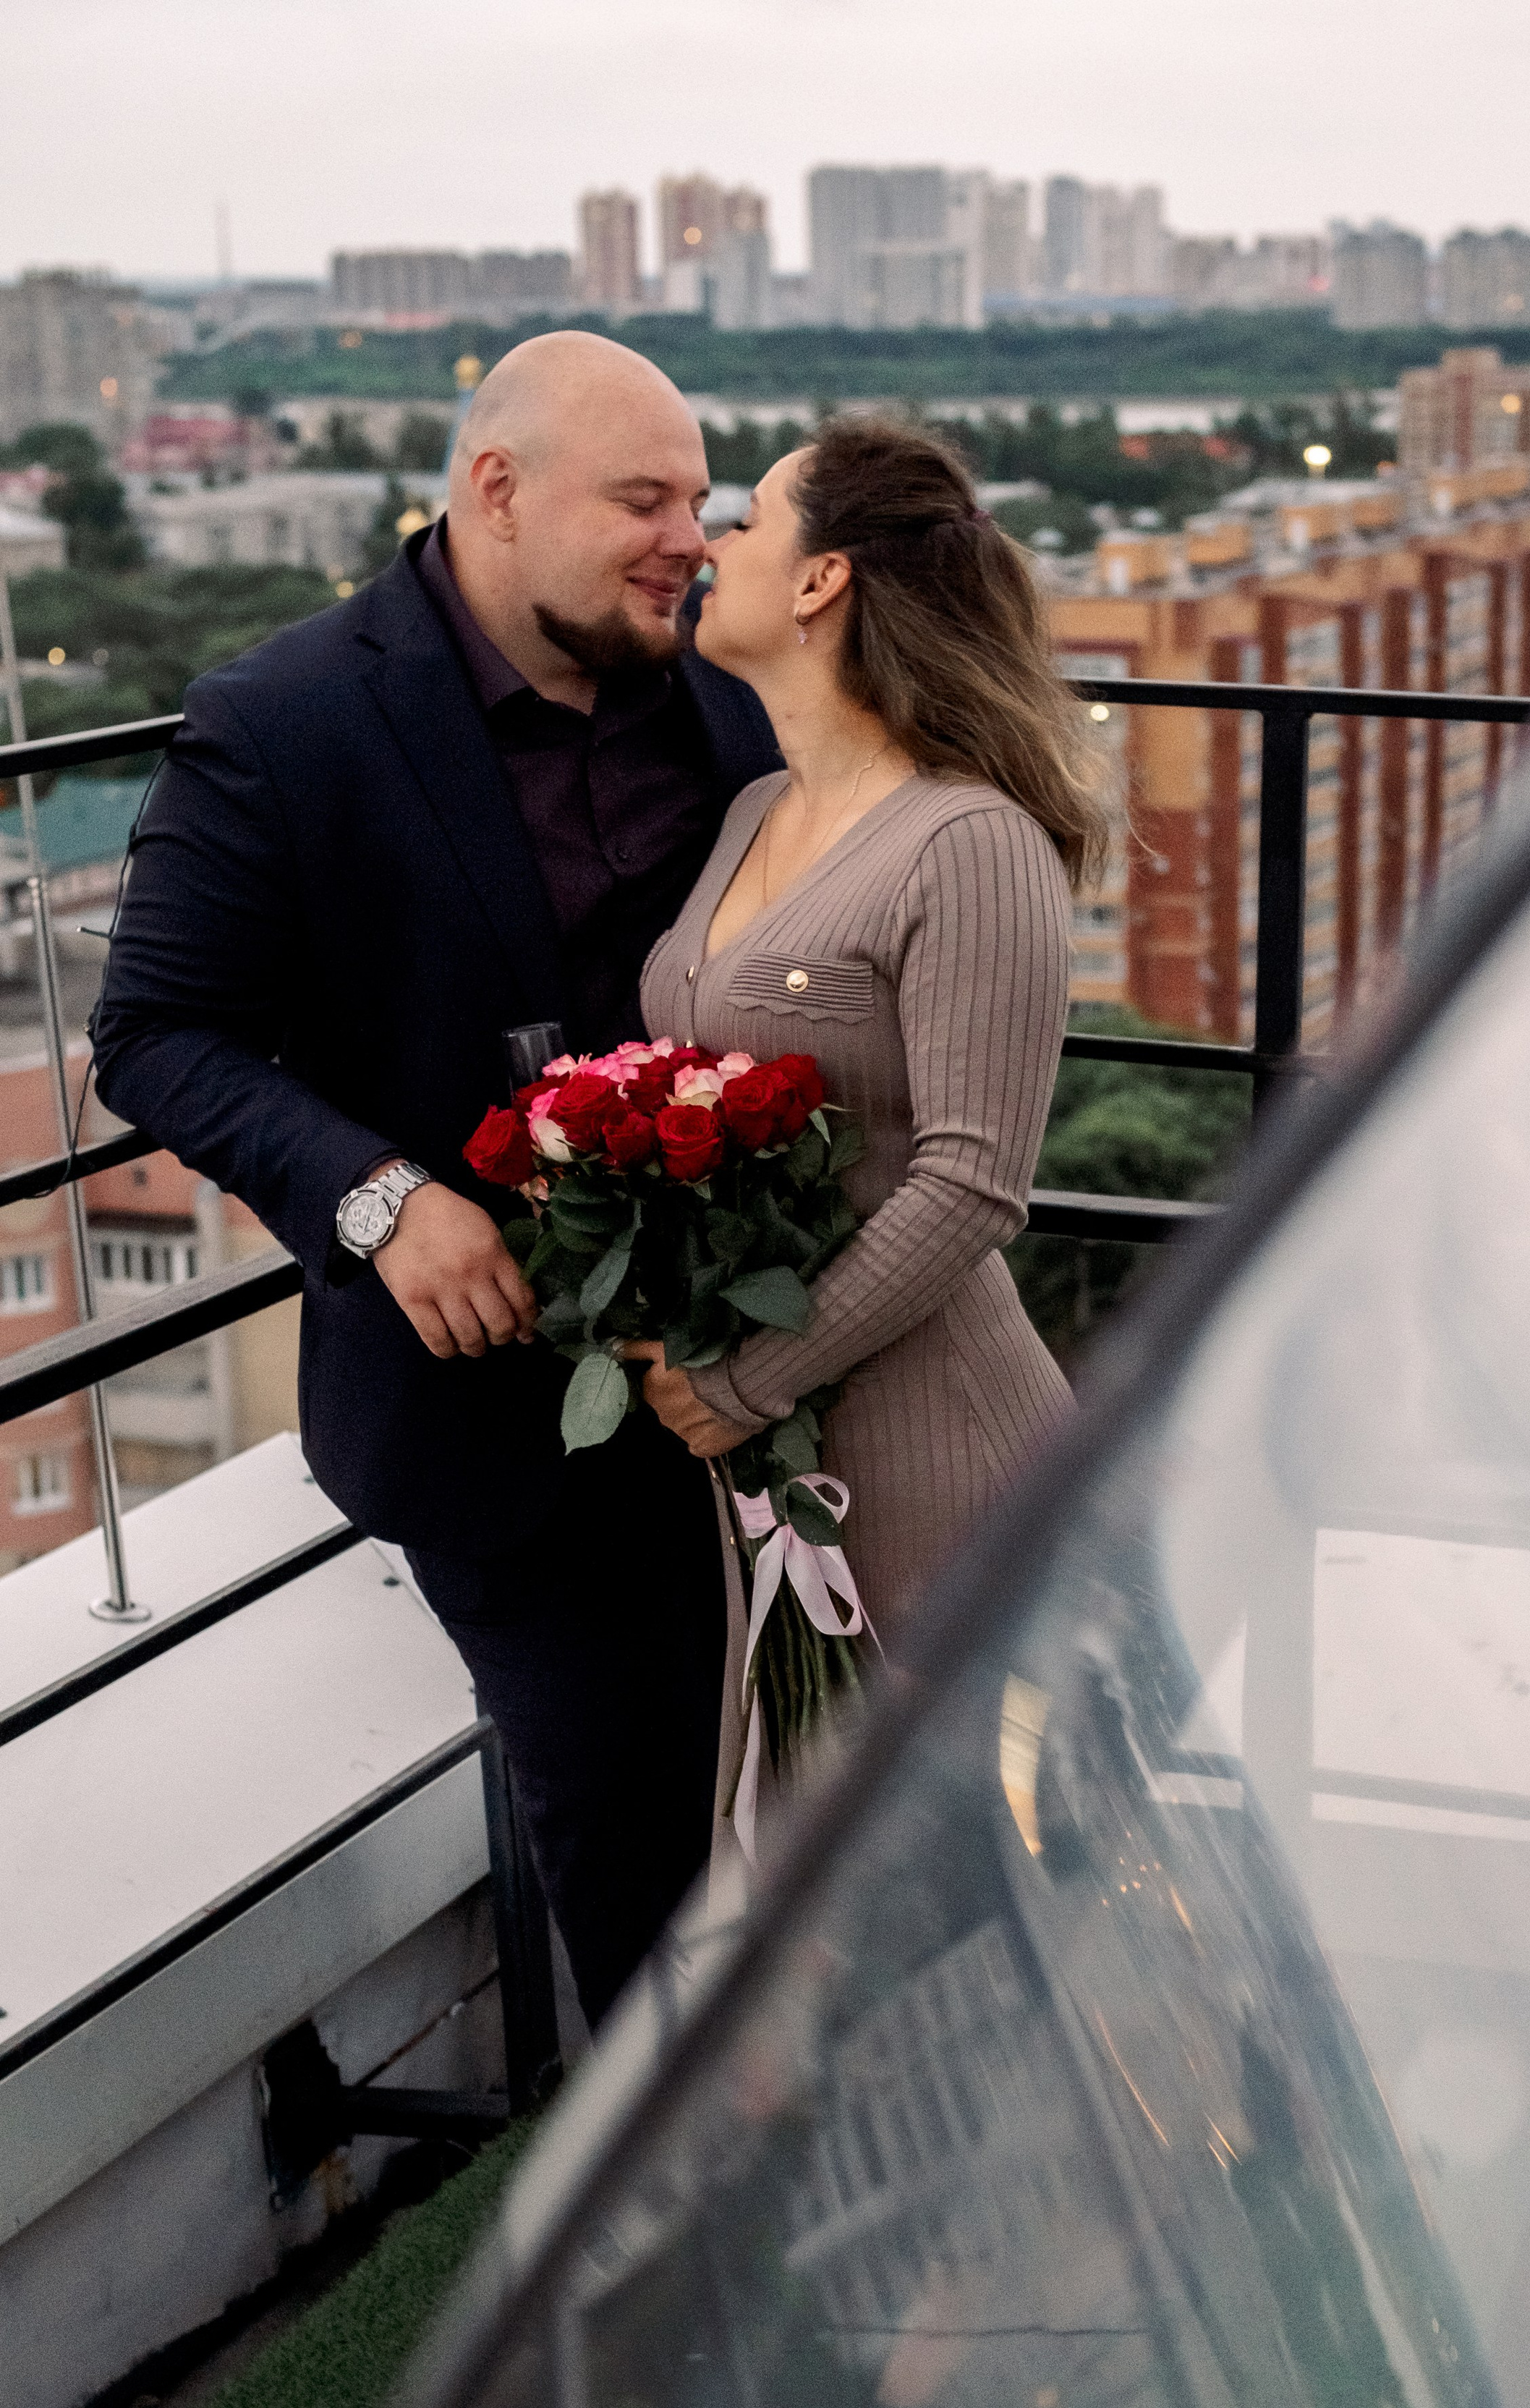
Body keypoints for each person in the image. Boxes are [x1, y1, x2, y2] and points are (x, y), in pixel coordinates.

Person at [88, 334, 781, 2030]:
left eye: (696, 502)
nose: (685, 539)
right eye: (641, 499)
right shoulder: (286, 718)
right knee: (634, 1868)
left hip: (760, 1380)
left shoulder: (730, 691)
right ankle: (675, 2238)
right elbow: (154, 1033)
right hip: (499, 1430)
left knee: (805, 1810)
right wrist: (380, 1198)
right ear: (495, 490)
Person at [630, 415, 1105, 1645]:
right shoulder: (751, 812)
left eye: (743, 521)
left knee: (945, 1827)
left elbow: (972, 1184)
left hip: (936, 1450)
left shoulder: (967, 840)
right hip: (775, 1462)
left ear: (820, 580)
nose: (706, 548)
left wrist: (746, 1382)